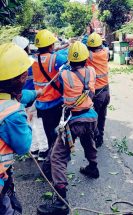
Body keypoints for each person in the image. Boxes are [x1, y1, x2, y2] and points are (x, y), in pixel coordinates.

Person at [37, 41, 98, 215]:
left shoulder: (64, 75)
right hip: (91, 117)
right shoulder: (92, 71)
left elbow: (62, 68)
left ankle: (61, 200)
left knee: (57, 156)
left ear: (71, 60)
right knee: (88, 141)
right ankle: (93, 166)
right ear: (86, 59)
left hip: (74, 120)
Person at [0, 43, 33, 214]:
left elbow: (23, 96)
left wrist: (36, 94)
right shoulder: (13, 113)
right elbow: (23, 146)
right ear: (21, 78)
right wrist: (27, 120)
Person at [32, 29, 67, 176]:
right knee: (56, 135)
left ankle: (52, 158)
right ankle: (53, 162)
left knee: (48, 132)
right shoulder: (56, 58)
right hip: (54, 102)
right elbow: (67, 59)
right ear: (51, 46)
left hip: (41, 102)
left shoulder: (33, 59)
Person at [13, 35, 48, 161]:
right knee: (38, 123)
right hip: (33, 96)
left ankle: (33, 149)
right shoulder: (32, 61)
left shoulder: (12, 64)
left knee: (28, 123)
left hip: (20, 99)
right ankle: (43, 150)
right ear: (26, 48)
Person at [86, 32, 110, 147]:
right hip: (106, 91)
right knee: (102, 116)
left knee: (94, 116)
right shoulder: (105, 52)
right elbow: (103, 46)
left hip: (97, 93)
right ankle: (100, 137)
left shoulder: (89, 56)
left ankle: (95, 138)